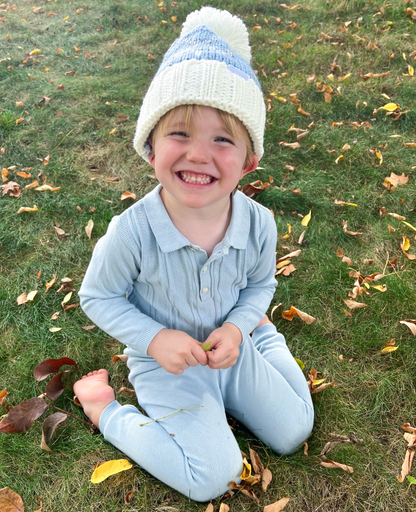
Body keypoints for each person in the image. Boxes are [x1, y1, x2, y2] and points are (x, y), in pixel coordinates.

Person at [74, 7, 313, 502]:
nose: (199, 154)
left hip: (232, 348)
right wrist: (155, 338)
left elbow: (259, 286)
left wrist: (241, 324)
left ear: (249, 159)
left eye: (222, 139)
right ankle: (104, 410)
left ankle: (265, 340)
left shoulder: (259, 224)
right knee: (213, 478)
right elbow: (98, 296)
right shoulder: (132, 232)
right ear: (150, 144)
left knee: (294, 431)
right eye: (179, 134)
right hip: (168, 367)